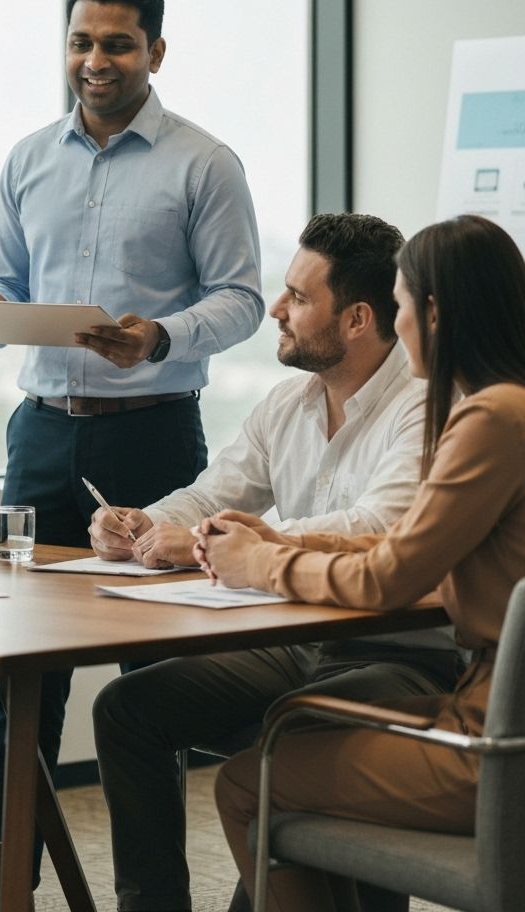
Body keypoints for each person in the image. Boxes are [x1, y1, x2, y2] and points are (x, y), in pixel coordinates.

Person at [0, 0, 264, 912]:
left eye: (117, 44)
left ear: (155, 53)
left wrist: (158, 337)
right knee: (21, 676)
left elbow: (243, 298)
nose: (95, 61)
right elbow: (1, 272)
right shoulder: (27, 158)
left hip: (153, 439)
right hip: (40, 435)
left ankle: (150, 896)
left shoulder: (205, 164)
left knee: (151, 683)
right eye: (82, 42)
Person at [88, 213, 463, 912]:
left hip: (403, 651)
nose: (276, 311)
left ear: (356, 319)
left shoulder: (425, 405)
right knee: (128, 708)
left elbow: (379, 528)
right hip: (299, 641)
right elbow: (210, 492)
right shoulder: (285, 405)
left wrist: (228, 540)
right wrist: (145, 521)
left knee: (287, 736)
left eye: (297, 297)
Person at [206, 214, 525, 912]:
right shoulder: (510, 410)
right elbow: (409, 541)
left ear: (433, 314)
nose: (395, 323)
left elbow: (387, 578)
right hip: (490, 712)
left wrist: (261, 564)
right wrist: (278, 542)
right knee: (306, 731)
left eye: (401, 306)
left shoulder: (490, 420)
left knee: (245, 781)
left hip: (495, 741)